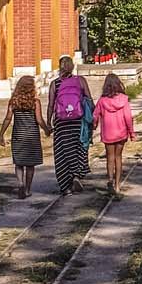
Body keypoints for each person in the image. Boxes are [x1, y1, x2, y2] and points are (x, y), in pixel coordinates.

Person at [47, 56, 93, 194]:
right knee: (79, 147)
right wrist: (93, 119)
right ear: (72, 66)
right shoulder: (80, 80)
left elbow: (50, 105)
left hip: (61, 122)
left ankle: (65, 186)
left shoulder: (55, 84)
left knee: (63, 151)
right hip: (78, 120)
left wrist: (49, 122)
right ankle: (76, 175)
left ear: (59, 67)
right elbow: (89, 100)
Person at [0, 75, 48, 199]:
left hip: (18, 136)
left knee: (19, 163)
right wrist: (47, 129)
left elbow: (7, 118)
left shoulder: (14, 101)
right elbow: (39, 119)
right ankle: (27, 189)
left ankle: (20, 183)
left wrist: (1, 134)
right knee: (30, 165)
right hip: (32, 137)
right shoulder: (35, 102)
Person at [96, 72, 135, 195]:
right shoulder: (124, 99)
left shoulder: (102, 101)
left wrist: (94, 125)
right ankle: (118, 185)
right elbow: (128, 117)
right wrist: (132, 133)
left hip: (108, 133)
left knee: (110, 158)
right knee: (119, 158)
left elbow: (95, 115)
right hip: (121, 133)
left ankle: (110, 180)